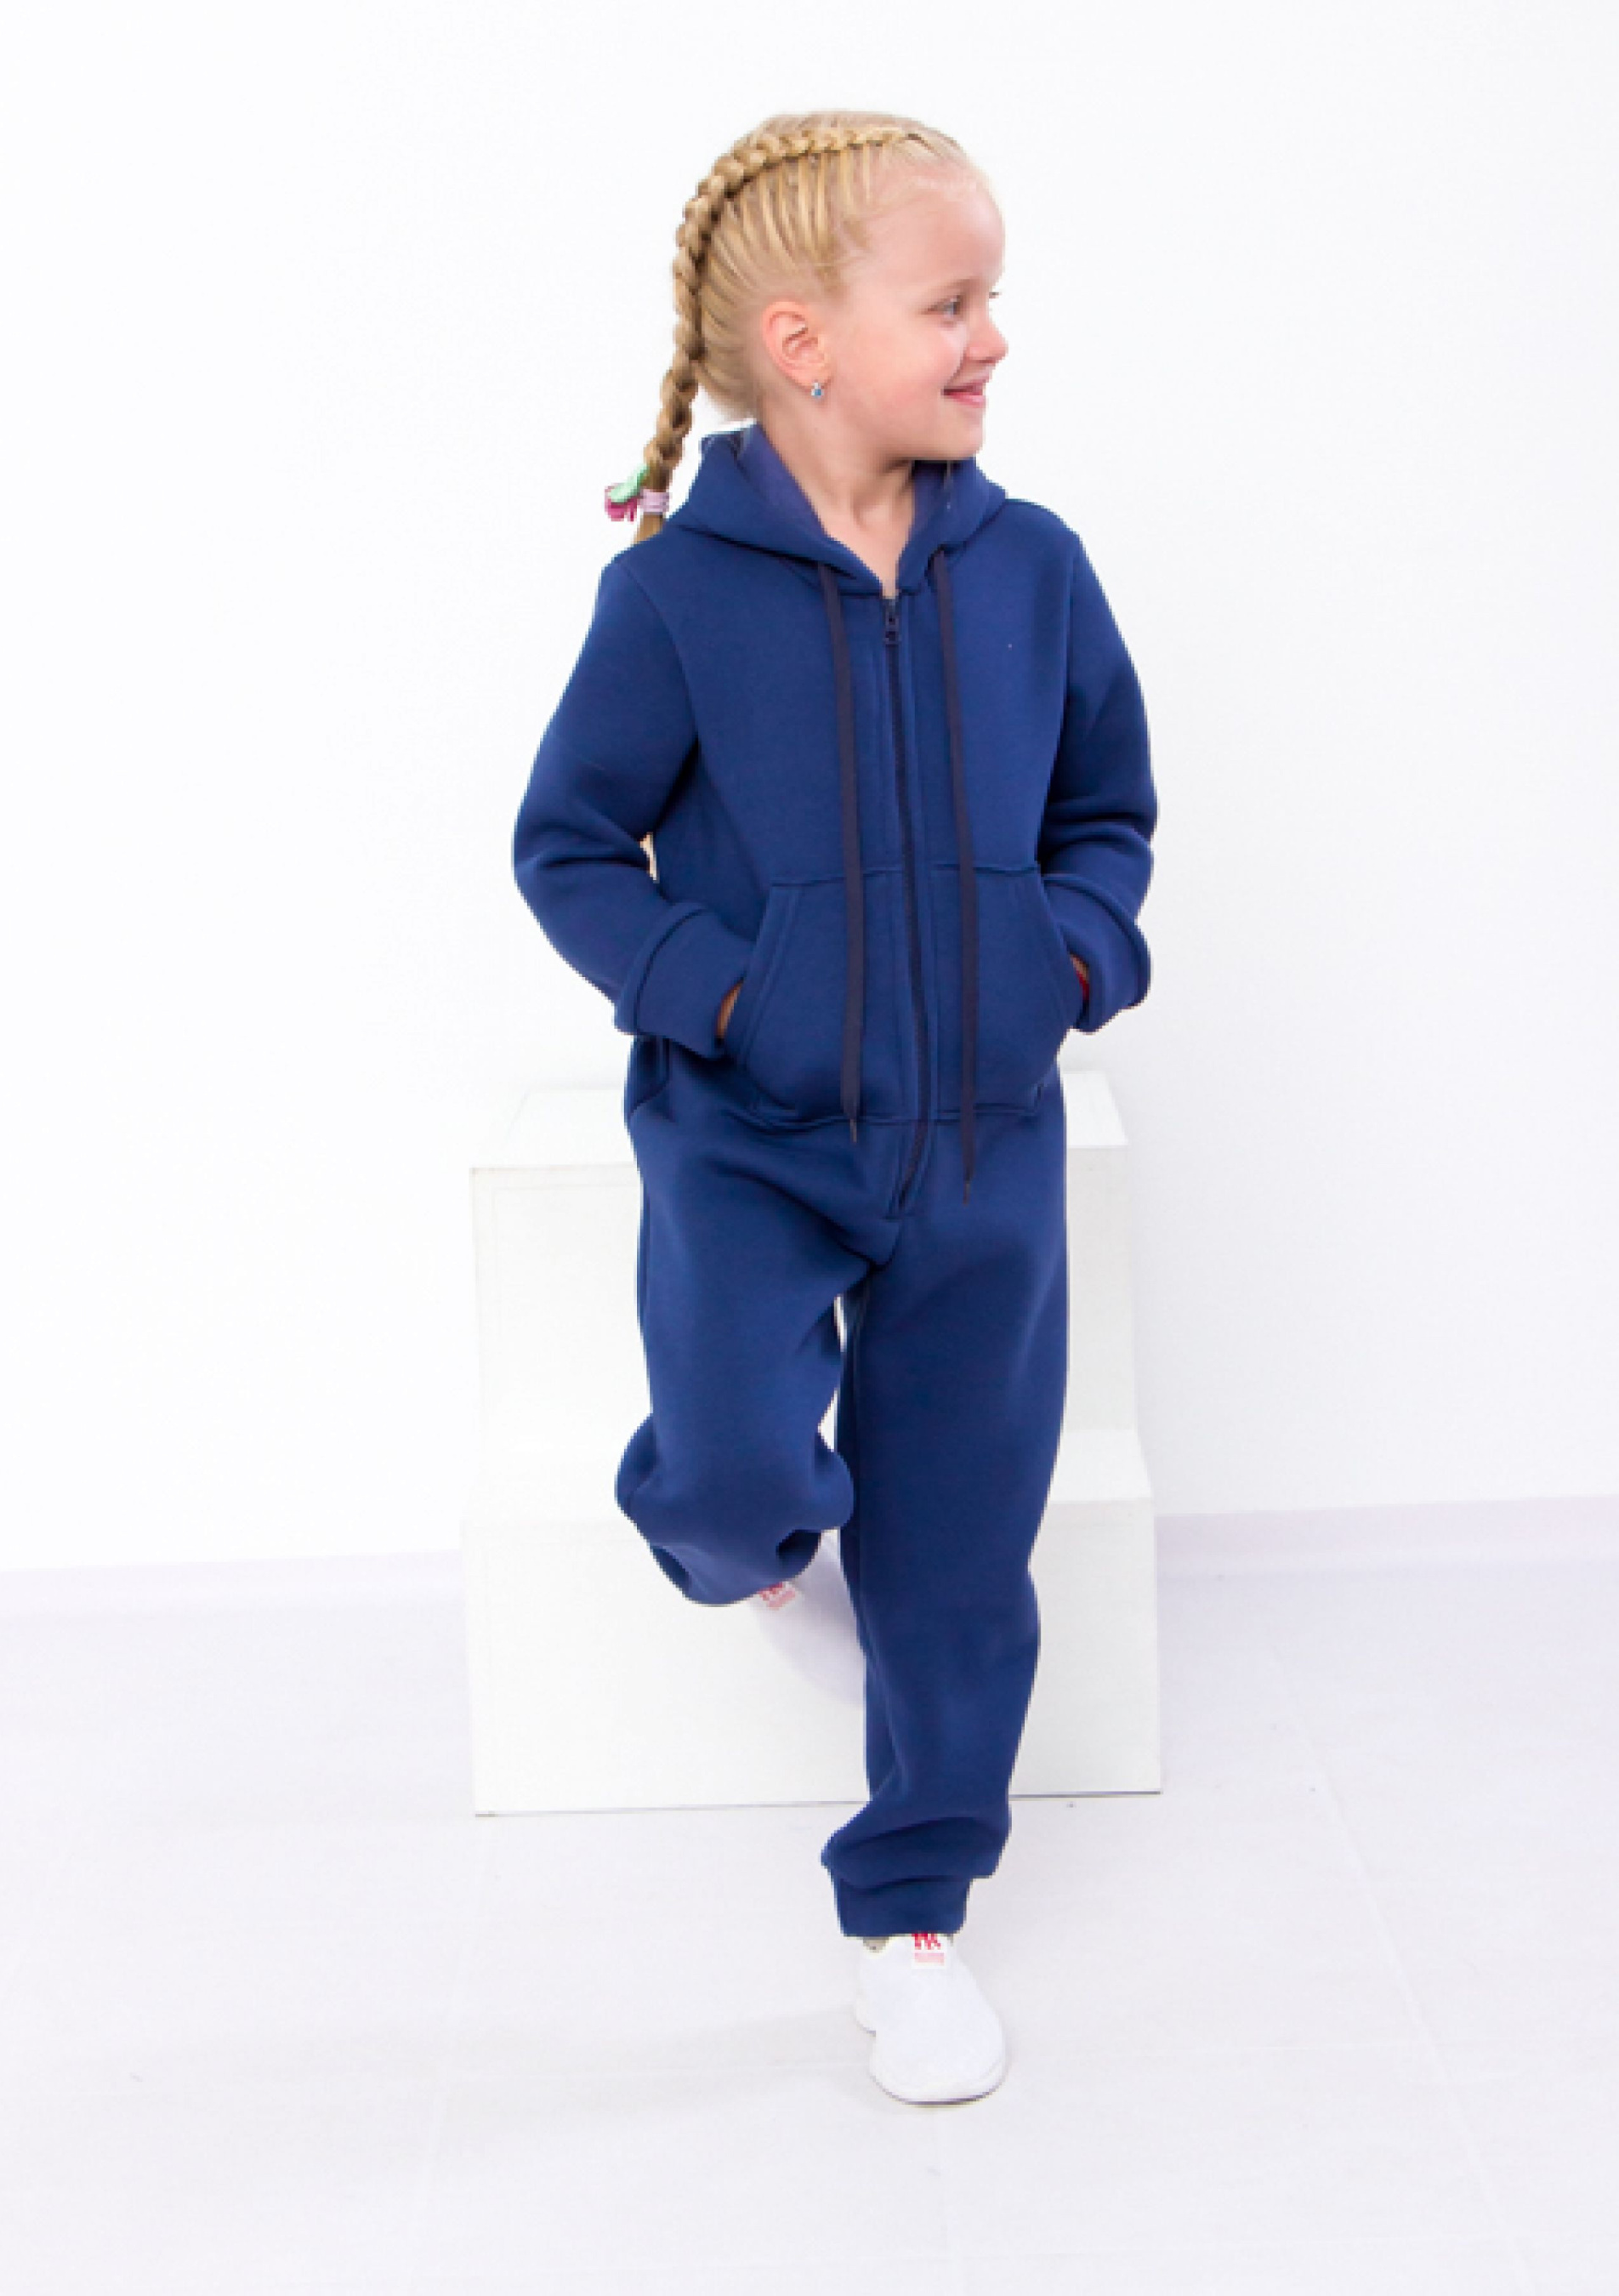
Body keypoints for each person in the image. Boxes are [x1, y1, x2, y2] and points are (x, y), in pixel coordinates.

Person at [511, 111, 1157, 2106]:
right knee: (723, 1480)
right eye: (948, 303)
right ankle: (760, 1543)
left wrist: (1066, 960)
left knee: (955, 1557)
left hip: (977, 1146)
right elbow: (566, 848)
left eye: (990, 300)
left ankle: (910, 1918)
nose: (990, 339)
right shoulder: (671, 601)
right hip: (752, 1140)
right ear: (800, 343)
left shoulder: (1030, 572)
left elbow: (1106, 816)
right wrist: (722, 995)